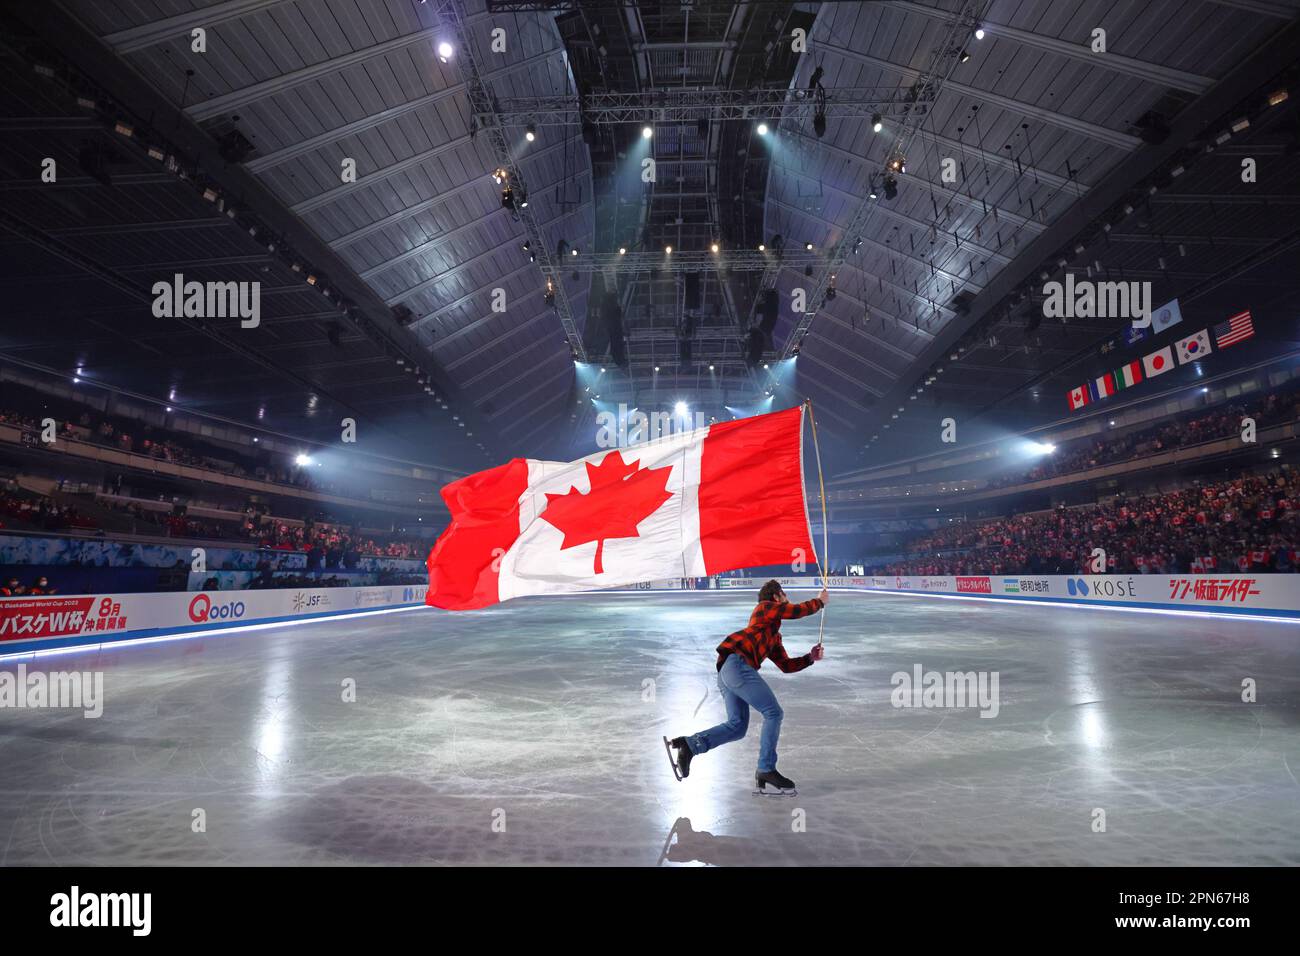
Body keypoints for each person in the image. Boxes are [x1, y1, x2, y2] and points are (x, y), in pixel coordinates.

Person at [667, 580, 827, 794]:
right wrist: (820, 602)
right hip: (737, 666)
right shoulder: (765, 607)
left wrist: (810, 658)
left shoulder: (772, 634)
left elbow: (786, 666)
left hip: (729, 672)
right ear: (777, 595)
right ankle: (766, 769)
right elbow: (795, 611)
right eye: (784, 594)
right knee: (773, 713)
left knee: (738, 726)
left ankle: (690, 745)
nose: (786, 598)